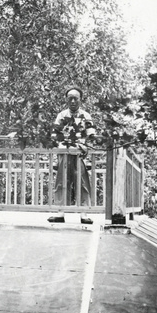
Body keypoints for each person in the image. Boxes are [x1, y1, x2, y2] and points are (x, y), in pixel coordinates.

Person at [47, 85, 95, 225]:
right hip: (65, 152)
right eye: (70, 99)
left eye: (76, 98)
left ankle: (84, 214)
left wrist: (82, 143)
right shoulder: (62, 116)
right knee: (62, 182)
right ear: (67, 100)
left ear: (80, 100)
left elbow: (91, 135)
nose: (73, 101)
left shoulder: (86, 116)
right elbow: (55, 135)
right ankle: (60, 212)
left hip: (80, 154)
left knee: (82, 182)